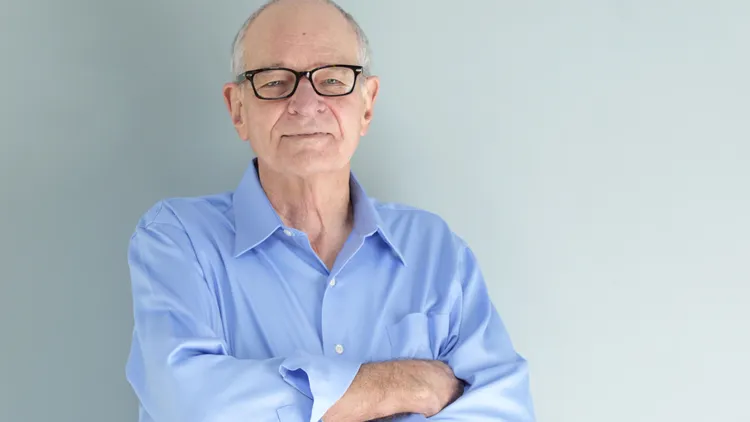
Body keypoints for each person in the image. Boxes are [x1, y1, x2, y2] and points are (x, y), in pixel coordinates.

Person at [125, 0, 535, 421]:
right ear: (238, 109)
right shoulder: (177, 240)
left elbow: (506, 411)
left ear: (368, 104)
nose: (305, 103)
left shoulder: (434, 249)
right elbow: (190, 407)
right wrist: (402, 384)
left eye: (333, 79)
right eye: (275, 80)